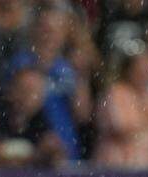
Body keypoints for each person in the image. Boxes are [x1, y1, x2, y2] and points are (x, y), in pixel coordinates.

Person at [8, 7, 92, 161]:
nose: (48, 35)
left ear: (64, 33)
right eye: (44, 28)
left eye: (55, 30)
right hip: (32, 153)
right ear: (35, 30)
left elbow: (83, 114)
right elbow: (16, 109)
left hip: (67, 151)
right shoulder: (21, 62)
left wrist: (81, 76)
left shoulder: (69, 68)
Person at [0, 65, 65, 168]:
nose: (33, 97)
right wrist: (36, 157)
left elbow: (56, 153)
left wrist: (50, 151)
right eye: (27, 90)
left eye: (38, 92)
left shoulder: (39, 117)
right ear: (11, 91)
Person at [93, 43, 148, 169]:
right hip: (121, 166)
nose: (146, 71)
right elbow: (122, 128)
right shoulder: (116, 93)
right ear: (129, 68)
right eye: (142, 66)